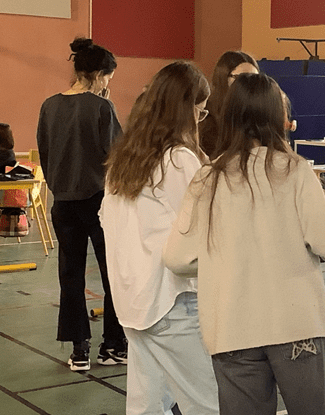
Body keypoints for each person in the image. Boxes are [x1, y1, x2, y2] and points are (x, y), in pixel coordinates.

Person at [164, 72, 325, 415]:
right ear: (277, 117)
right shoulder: (294, 170)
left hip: (231, 327)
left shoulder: (208, 177)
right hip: (295, 326)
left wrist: (219, 259)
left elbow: (176, 257)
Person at [101, 62, 218, 415]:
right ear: (186, 110)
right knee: (211, 403)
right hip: (172, 300)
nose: (201, 120)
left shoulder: (124, 160)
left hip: (134, 302)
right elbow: (209, 225)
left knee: (147, 405)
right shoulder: (179, 160)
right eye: (200, 111)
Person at [36, 37, 126, 372]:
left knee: (70, 275)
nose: (107, 85)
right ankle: (113, 345)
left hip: (62, 202)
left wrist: (60, 184)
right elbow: (117, 157)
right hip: (99, 201)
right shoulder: (102, 108)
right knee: (111, 274)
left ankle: (79, 350)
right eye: (107, 78)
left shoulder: (49, 105)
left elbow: (45, 154)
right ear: (99, 75)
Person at [200, 51, 258, 159]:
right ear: (223, 78)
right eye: (242, 78)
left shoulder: (258, 118)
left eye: (255, 79)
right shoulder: (206, 119)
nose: (250, 85)